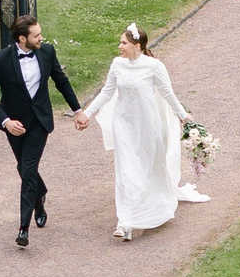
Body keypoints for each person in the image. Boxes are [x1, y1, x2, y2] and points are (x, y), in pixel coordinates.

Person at [75, 23, 204, 240]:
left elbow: (167, 93)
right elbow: (107, 92)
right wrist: (87, 113)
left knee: (147, 169)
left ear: (137, 46)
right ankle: (124, 223)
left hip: (149, 126)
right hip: (124, 125)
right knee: (126, 172)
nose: (119, 47)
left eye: (123, 43)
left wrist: (183, 116)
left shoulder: (154, 67)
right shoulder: (117, 65)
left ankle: (151, 209)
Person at [0, 16, 81, 250]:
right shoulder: (0, 60)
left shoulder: (47, 52)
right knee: (24, 169)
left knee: (27, 170)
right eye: (36, 35)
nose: (41, 38)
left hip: (39, 122)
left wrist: (78, 110)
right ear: (22, 38)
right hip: (14, 124)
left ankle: (23, 228)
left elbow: (61, 81)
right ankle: (40, 196)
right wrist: (5, 121)